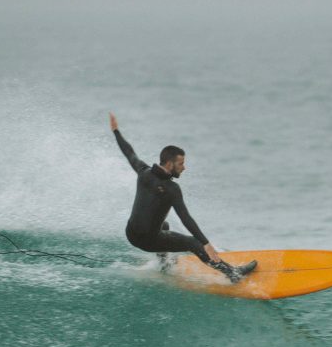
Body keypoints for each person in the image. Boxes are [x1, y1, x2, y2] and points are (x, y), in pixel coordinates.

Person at [109, 112, 256, 283]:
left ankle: (163, 264)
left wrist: (116, 131)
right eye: (181, 164)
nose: (184, 168)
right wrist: (205, 243)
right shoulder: (172, 189)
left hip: (131, 233)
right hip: (147, 241)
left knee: (164, 225)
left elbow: (129, 153)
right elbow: (185, 218)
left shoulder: (144, 172)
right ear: (170, 164)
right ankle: (233, 274)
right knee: (192, 243)